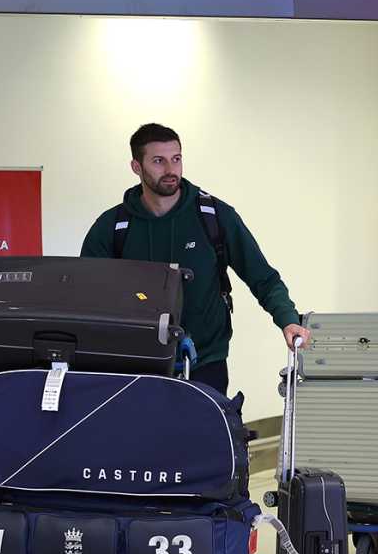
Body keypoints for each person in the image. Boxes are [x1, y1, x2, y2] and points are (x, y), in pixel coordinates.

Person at [80, 123, 310, 397]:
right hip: (136, 364)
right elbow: (87, 296)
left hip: (206, 360)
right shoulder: (113, 226)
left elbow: (263, 277)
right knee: (141, 440)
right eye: (158, 161)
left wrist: (287, 319)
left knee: (201, 438)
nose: (170, 170)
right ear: (136, 167)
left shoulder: (214, 216)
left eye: (176, 159)